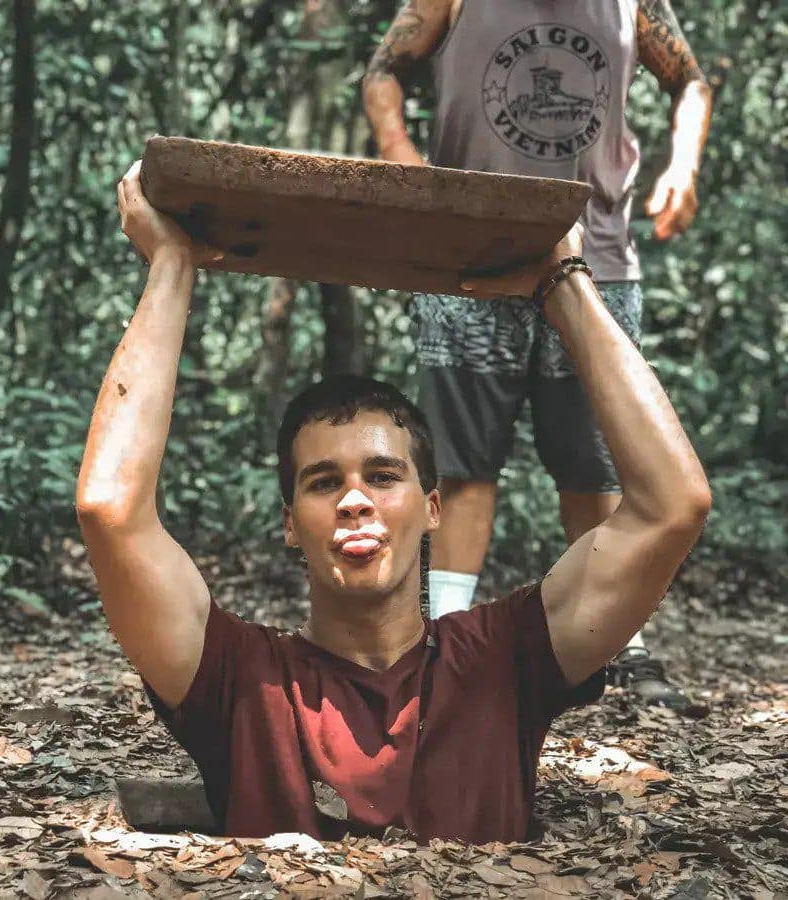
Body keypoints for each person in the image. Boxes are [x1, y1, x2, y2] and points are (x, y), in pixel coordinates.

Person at [75, 163, 710, 842]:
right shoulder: (240, 677)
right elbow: (111, 511)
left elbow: (673, 505)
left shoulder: (504, 659)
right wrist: (171, 265)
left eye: (383, 476)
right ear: (291, 523)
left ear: (433, 506)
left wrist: (564, 284)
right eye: (323, 482)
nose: (354, 499)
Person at [361, 0, 713, 709]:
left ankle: (620, 650)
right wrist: (404, 163)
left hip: (598, 265)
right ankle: (446, 644)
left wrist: (684, 166)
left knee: (594, 466)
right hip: (467, 260)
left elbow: (692, 83)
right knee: (462, 469)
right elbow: (383, 71)